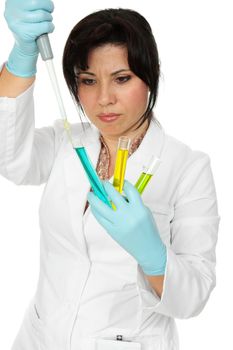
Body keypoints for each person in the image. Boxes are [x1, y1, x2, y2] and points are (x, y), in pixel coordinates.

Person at [0, 1, 220, 349]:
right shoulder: (66, 141)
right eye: (88, 80)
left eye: (121, 78)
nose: (103, 99)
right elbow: (10, 158)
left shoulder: (188, 168)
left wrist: (153, 255)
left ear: (151, 73)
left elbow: (194, 298)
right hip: (39, 338)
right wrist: (22, 55)